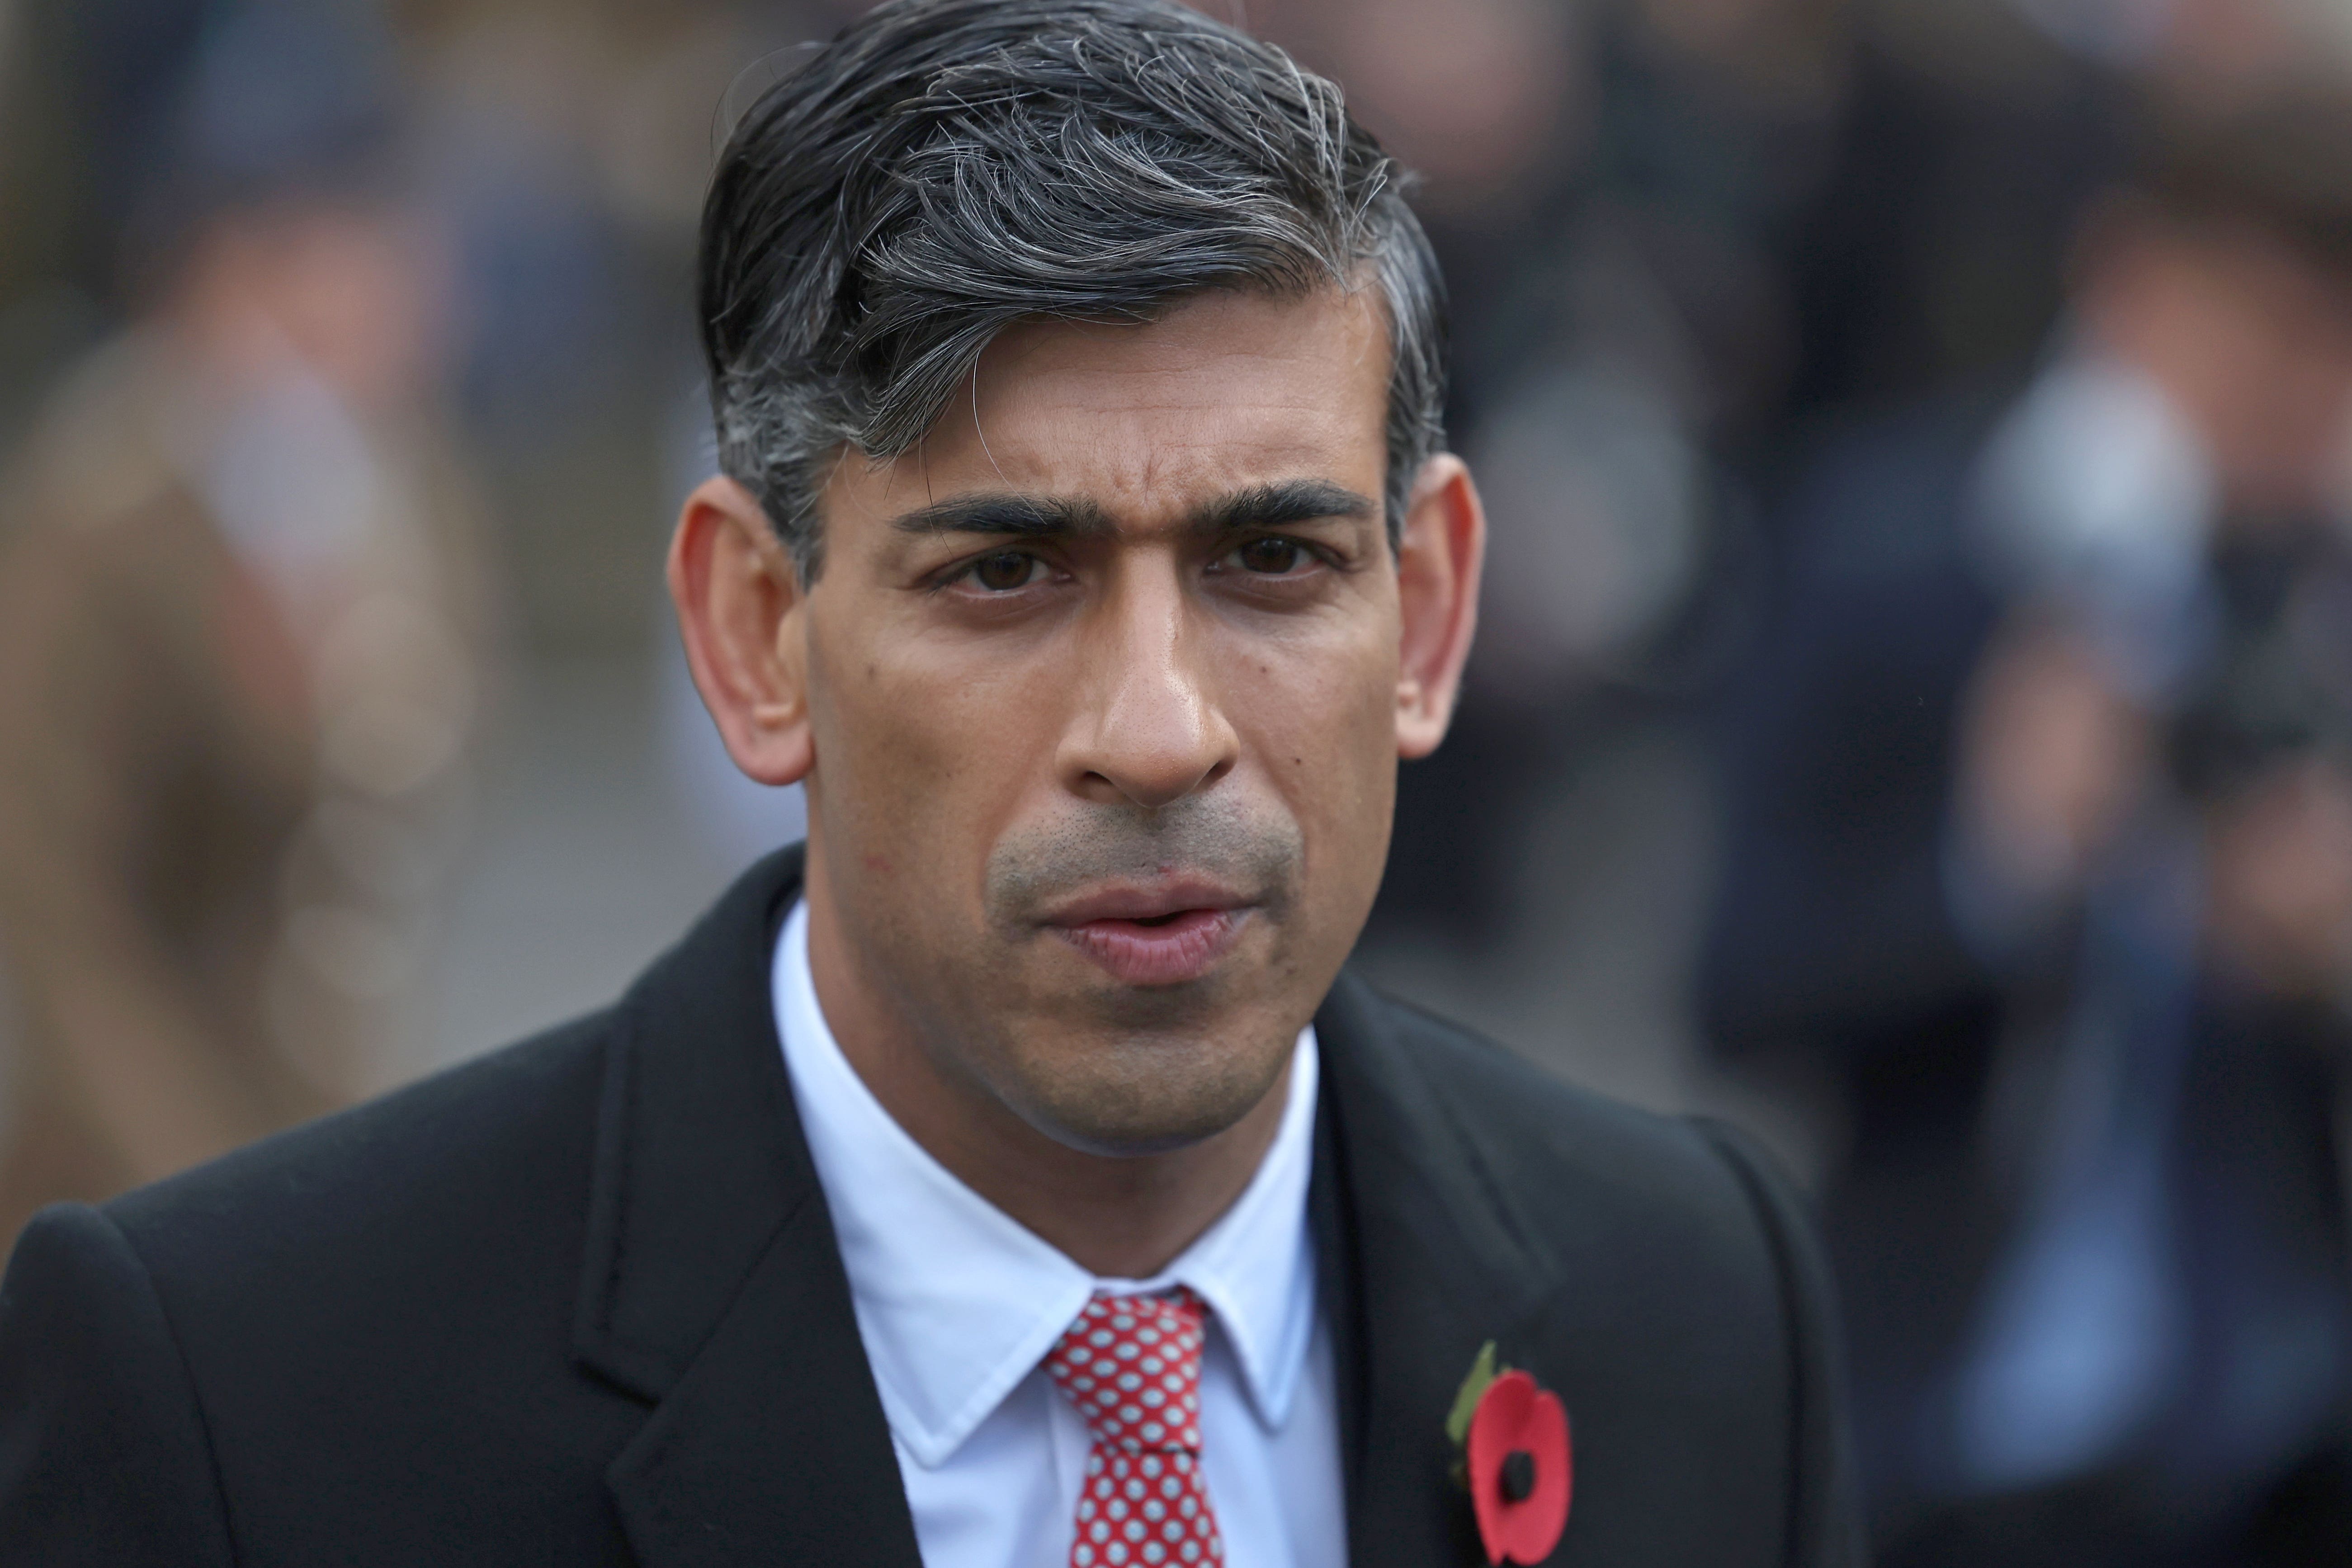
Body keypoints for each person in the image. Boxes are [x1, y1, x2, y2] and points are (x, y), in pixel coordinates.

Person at [0, 3, 1858, 1562]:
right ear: (754, 635)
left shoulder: (1695, 1304)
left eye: (1272, 562)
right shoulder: (242, 1401)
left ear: (1431, 610)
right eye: (1003, 574)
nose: (1156, 727)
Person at [1702, 85, 2352, 1567]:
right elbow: (1740, 980)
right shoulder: (1902, 545)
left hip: (2265, 1434)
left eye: (2333, 346)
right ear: (2126, 274)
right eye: (2261, 326)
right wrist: (1992, 865)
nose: (2289, 390)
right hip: (1946, 1420)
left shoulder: (2314, 600)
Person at [0, 1, 486, 1253]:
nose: (408, 283)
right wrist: (201, 1192)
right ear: (221, 269)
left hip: (336, 1148)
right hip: (143, 1197)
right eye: (348, 242)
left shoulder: (402, 472)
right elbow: (61, 916)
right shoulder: (105, 506)